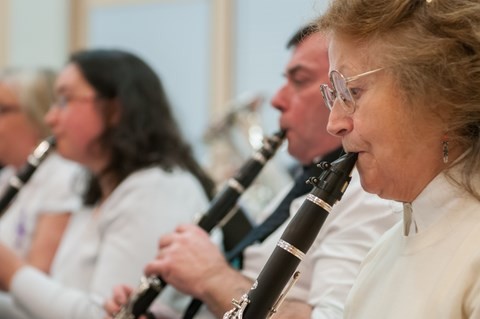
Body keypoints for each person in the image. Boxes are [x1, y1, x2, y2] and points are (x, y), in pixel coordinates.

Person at [104, 25, 400, 319]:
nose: (277, 100)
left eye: (300, 81)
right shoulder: (304, 183)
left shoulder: (370, 195)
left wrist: (212, 277)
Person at [0, 49, 215, 319]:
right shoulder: (99, 191)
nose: (50, 118)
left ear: (115, 109)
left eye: (65, 100)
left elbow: (106, 315)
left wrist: (11, 271)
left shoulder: (157, 191)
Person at [315, 0, 480, 318]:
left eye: (352, 92)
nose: (334, 123)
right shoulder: (383, 253)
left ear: (440, 95)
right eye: (333, 95)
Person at [0, 68, 83, 273]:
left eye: (1, 110)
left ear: (37, 114)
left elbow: (37, 278)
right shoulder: (8, 175)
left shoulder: (64, 177)